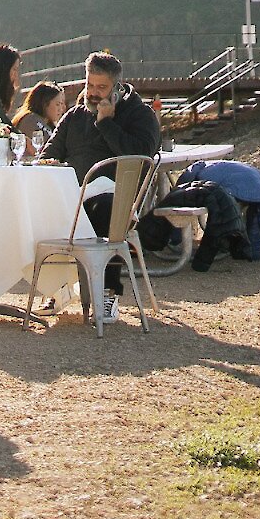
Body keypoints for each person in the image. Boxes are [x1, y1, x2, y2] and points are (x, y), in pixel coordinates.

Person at [41, 52, 162, 324]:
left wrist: (106, 123)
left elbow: (141, 155)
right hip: (72, 196)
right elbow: (49, 153)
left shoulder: (139, 115)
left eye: (101, 88)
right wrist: (48, 164)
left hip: (116, 199)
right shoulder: (74, 115)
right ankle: (56, 286)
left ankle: (108, 293)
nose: (93, 94)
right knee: (36, 205)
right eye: (89, 85)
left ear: (117, 87)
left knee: (106, 208)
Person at [12, 82, 68, 153]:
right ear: (44, 104)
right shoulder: (31, 119)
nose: (62, 108)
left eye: (63, 104)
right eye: (58, 104)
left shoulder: (48, 123)